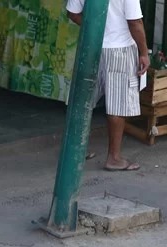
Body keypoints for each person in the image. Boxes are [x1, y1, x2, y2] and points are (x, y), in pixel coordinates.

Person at [66, 0, 149, 171]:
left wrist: (95, 29)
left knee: (83, 101)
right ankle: (114, 158)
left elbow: (73, 13)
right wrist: (143, 52)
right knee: (117, 106)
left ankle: (74, 152)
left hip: (91, 48)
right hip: (120, 49)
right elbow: (135, 22)